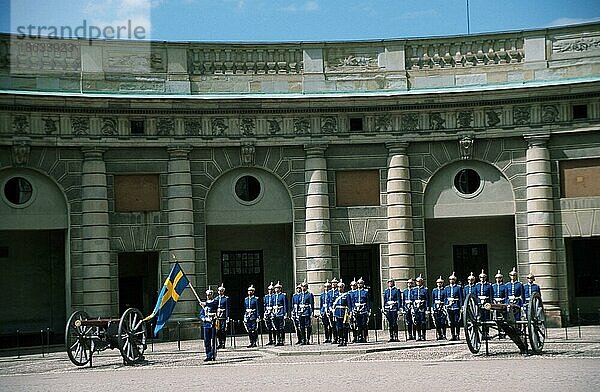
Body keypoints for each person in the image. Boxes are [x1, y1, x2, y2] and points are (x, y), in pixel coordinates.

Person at [199, 287, 218, 361]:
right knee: (207, 340)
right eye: (207, 295)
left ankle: (213, 354)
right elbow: (201, 314)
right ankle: (208, 355)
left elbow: (213, 304)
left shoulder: (215, 301)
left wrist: (205, 304)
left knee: (213, 340)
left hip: (213, 323)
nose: (208, 296)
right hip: (206, 324)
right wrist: (204, 318)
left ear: (212, 295)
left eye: (209, 294)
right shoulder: (205, 305)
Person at [332, 280, 353, 346]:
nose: (340, 288)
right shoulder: (335, 295)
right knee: (339, 327)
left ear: (343, 287)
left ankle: (345, 340)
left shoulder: (347, 295)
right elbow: (332, 303)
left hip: (344, 312)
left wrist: (350, 312)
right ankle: (340, 339)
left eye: (341, 287)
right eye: (339, 287)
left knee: (344, 327)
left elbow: (349, 304)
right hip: (337, 312)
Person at [444, 272, 463, 341]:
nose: (451, 281)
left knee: (456, 321)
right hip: (449, 306)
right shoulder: (446, 288)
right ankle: (453, 335)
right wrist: (445, 304)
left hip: (456, 305)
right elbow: (445, 297)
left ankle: (457, 334)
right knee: (451, 321)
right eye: (450, 279)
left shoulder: (458, 287)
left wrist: (461, 306)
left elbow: (461, 297)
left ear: (455, 280)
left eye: (453, 279)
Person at [383, 278, 401, 342]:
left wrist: (399, 308)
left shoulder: (396, 290)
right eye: (389, 282)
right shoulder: (386, 291)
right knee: (390, 323)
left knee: (394, 322)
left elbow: (399, 299)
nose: (390, 283)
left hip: (394, 308)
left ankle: (396, 336)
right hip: (388, 308)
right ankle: (391, 336)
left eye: (391, 282)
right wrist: (384, 308)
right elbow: (385, 300)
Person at [413, 274, 429, 341]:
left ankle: (423, 335)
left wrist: (427, 308)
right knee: (417, 322)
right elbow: (412, 299)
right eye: (417, 281)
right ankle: (418, 335)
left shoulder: (425, 290)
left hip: (422, 307)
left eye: (419, 281)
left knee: (423, 322)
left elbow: (427, 299)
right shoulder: (414, 290)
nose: (418, 283)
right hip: (416, 307)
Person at [298, 281, 314, 345]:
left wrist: (311, 312)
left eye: (304, 286)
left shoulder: (309, 295)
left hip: (307, 311)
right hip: (301, 312)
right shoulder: (300, 295)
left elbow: (311, 304)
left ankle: (308, 339)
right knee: (302, 326)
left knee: (308, 326)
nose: (303, 288)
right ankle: (303, 339)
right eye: (302, 286)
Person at [354, 277, 370, 343]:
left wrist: (368, 310)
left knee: (364, 324)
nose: (359, 285)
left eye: (361, 283)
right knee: (358, 324)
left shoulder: (365, 292)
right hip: (357, 309)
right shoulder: (355, 292)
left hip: (363, 309)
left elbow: (368, 302)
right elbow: (353, 301)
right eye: (358, 283)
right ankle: (359, 336)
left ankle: (365, 336)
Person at [431, 276, 447, 340]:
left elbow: (445, 298)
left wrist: (444, 306)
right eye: (438, 283)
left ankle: (444, 334)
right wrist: (432, 307)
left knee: (443, 322)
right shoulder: (434, 290)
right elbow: (433, 300)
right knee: (437, 322)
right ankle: (439, 334)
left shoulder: (444, 290)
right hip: (436, 307)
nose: (439, 284)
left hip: (442, 306)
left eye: (440, 283)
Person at [272, 281, 287, 346]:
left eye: (277, 288)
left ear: (280, 289)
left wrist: (285, 313)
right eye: (275, 288)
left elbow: (285, 305)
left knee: (281, 327)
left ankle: (282, 340)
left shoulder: (283, 295)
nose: (276, 289)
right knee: (276, 327)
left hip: (280, 312)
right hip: (274, 312)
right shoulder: (273, 296)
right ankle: (278, 340)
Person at [215, 283, 229, 349]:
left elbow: (227, 308)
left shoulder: (226, 299)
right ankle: (219, 343)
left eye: (221, 291)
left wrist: (227, 317)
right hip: (217, 317)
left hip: (223, 316)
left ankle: (223, 343)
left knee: (223, 330)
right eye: (219, 291)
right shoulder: (216, 299)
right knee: (218, 331)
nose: (220, 292)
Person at [328, 278, 340, 344]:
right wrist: (330, 308)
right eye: (332, 283)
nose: (333, 284)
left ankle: (339, 337)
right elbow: (328, 301)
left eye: (335, 283)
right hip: (332, 310)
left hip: (337, 310)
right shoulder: (329, 292)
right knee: (332, 325)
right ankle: (334, 338)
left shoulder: (338, 292)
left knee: (338, 325)